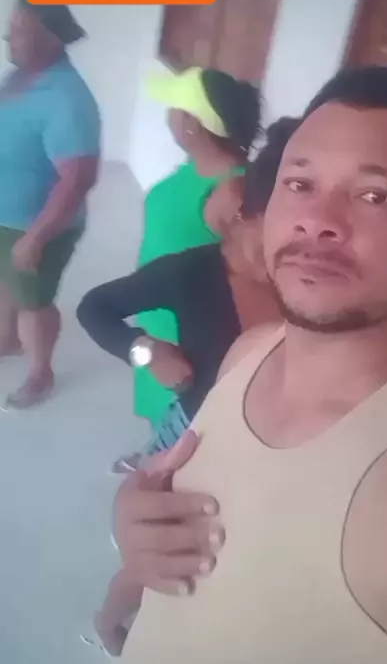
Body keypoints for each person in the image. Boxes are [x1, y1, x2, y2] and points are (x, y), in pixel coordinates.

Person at [114, 66, 387, 664]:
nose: (318, 220)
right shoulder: (250, 352)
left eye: (374, 195)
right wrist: (134, 527)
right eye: (300, 183)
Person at [76, 119, 294, 656]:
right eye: (271, 237)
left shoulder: (304, 282)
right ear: (243, 214)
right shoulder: (191, 273)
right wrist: (146, 350)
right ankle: (108, 621)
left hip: (266, 444)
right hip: (193, 437)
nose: (284, 257)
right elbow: (94, 307)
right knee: (157, 554)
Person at [117, 66, 262, 473]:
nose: (168, 117)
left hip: (187, 328)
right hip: (159, 313)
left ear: (192, 124)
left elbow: (252, 269)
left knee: (184, 413)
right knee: (157, 401)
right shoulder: (194, 167)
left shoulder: (232, 191)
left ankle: (165, 471)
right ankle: (155, 452)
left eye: (175, 109)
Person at [0, 0, 101, 409]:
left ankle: (40, 374)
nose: (8, 36)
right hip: (7, 216)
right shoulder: (18, 76)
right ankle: (7, 340)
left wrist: (37, 237)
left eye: (20, 30)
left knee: (34, 301)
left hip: (37, 223)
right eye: (11, 26)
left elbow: (78, 179)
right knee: (7, 282)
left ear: (53, 37)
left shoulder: (67, 97)